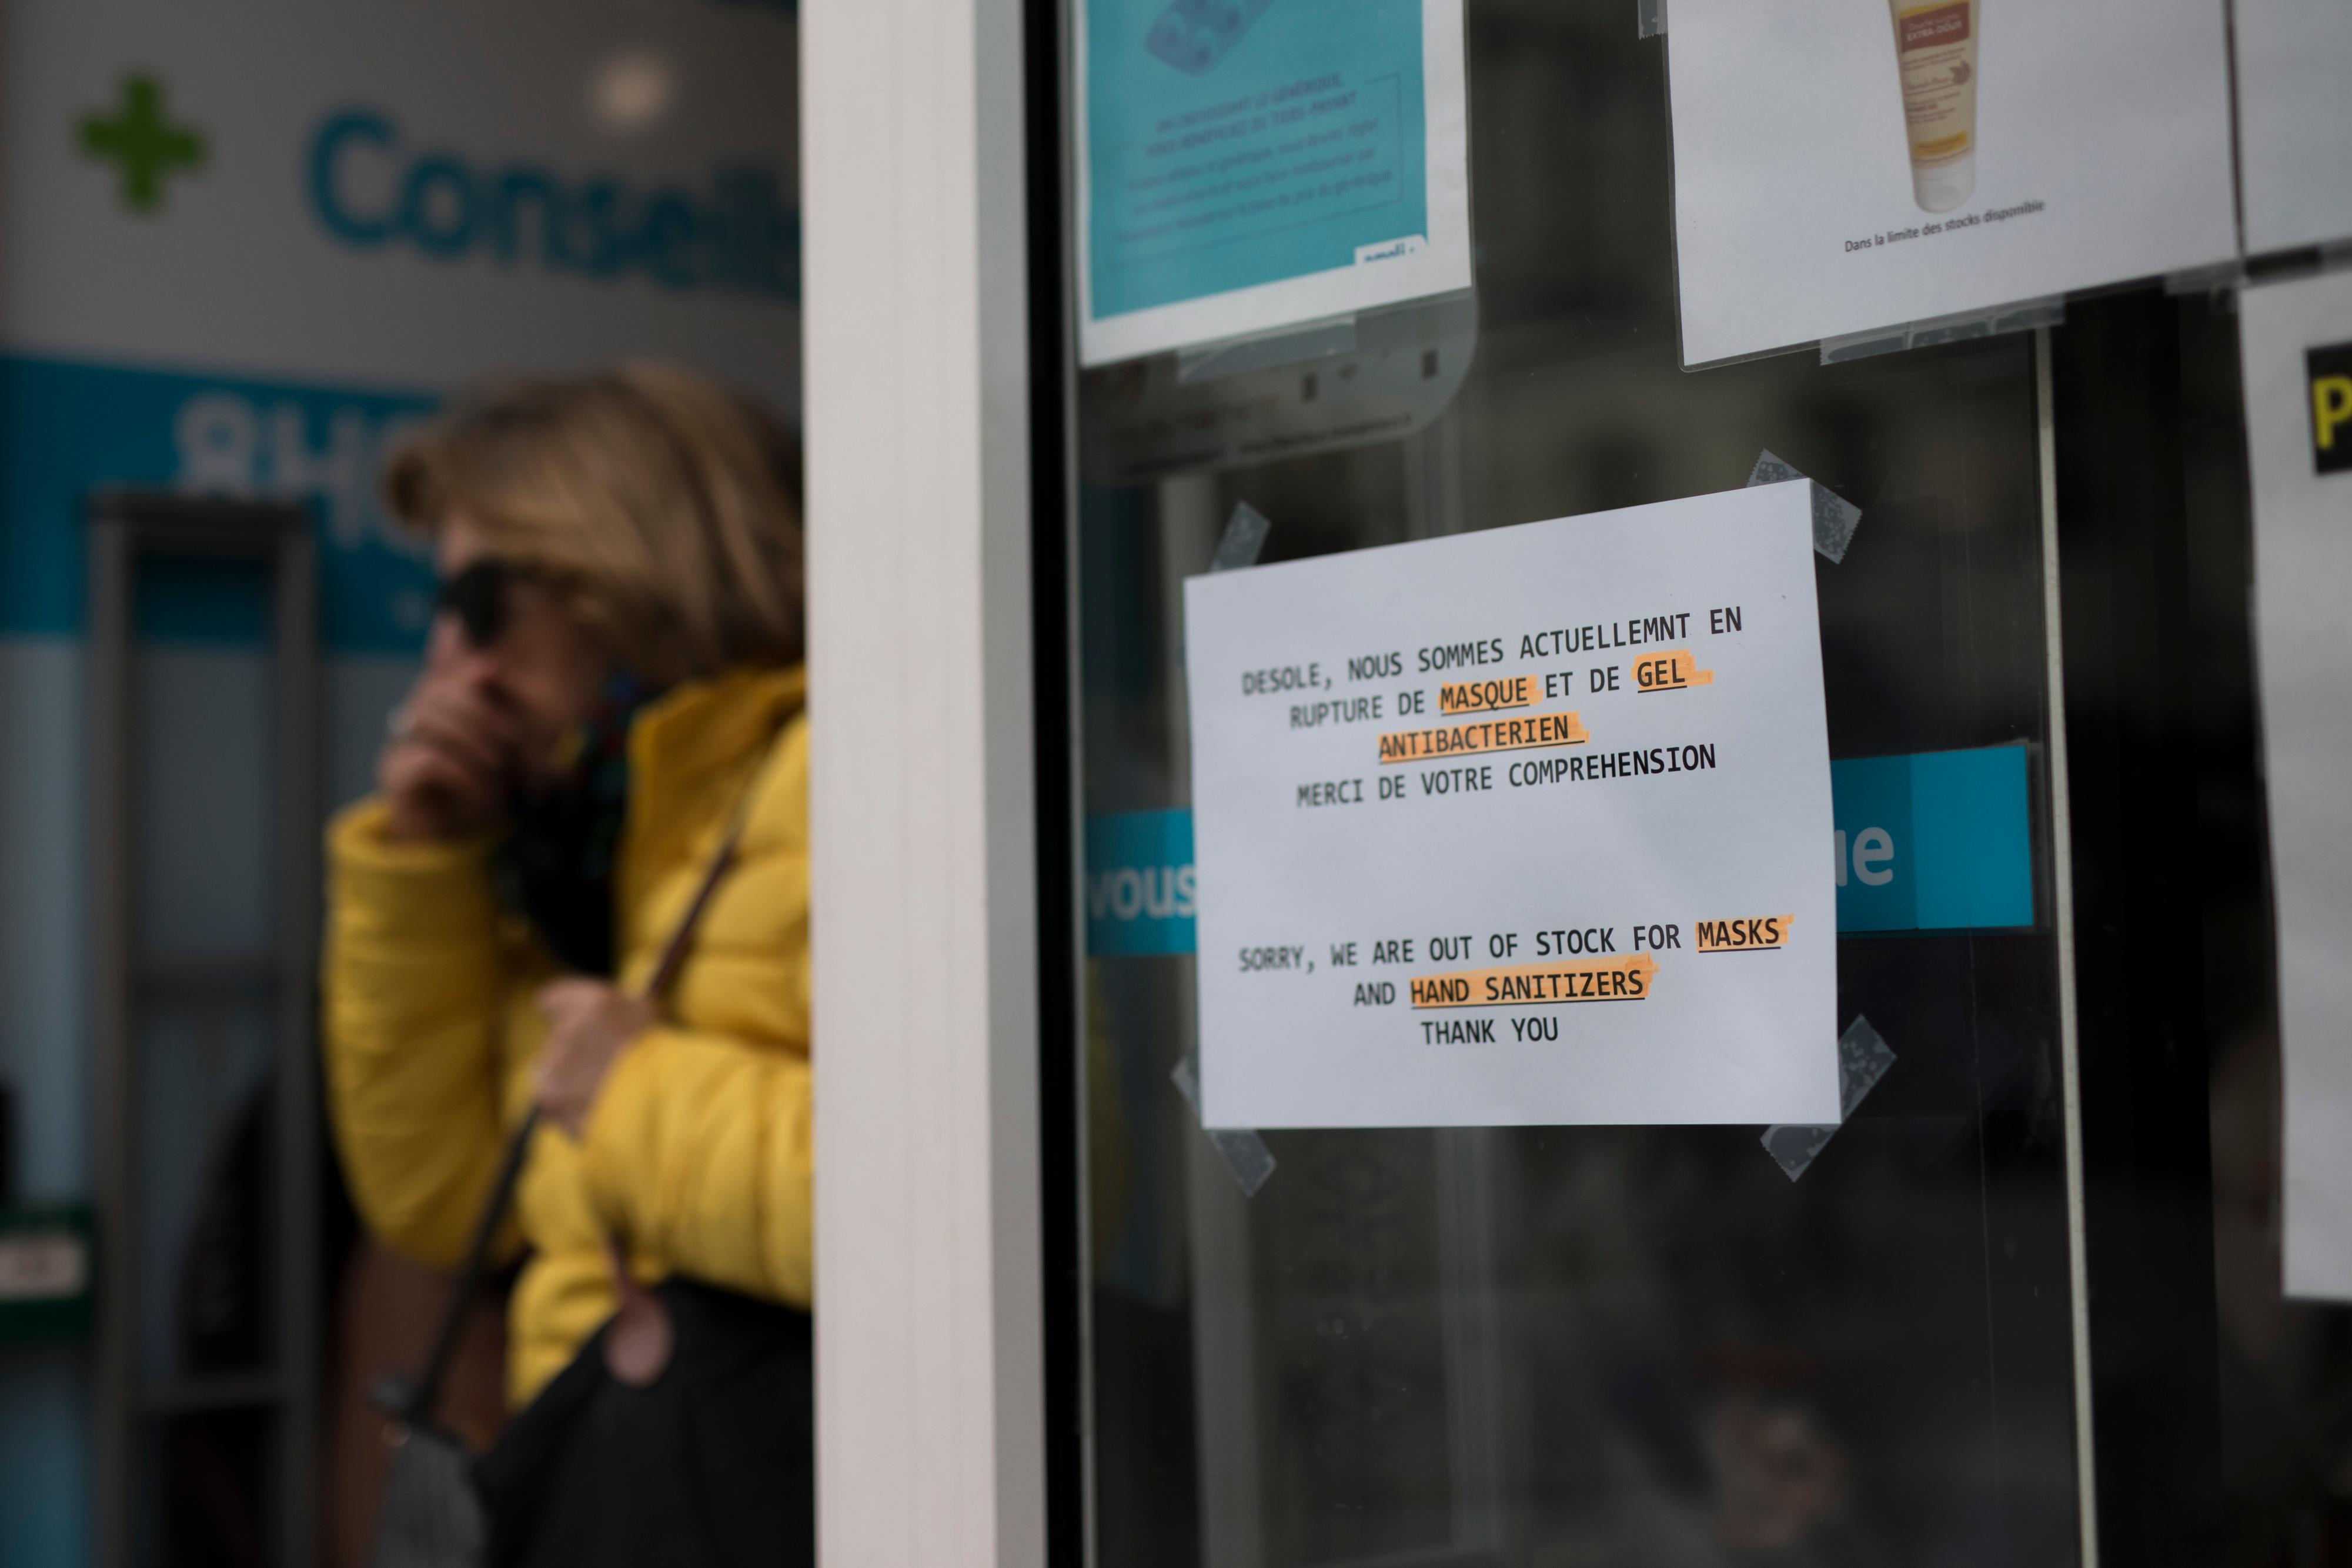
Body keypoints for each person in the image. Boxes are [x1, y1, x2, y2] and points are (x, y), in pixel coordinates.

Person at [322, 363, 812, 1562]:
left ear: (614, 569)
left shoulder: (840, 774)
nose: (449, 660)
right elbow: (440, 1202)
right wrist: (426, 866)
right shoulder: (582, 843)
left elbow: (1012, 1195)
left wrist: (638, 1094)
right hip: (608, 1485)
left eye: (479, 603)